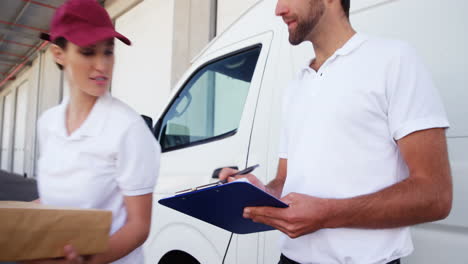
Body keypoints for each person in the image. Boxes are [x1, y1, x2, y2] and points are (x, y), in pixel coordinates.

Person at [219, 0, 452, 263]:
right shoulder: (297, 86)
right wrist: (260, 191)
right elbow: (285, 180)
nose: (278, 9)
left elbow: (436, 195)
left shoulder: (394, 60)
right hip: (289, 259)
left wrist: (327, 214)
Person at [28, 0, 161, 263]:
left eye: (108, 52)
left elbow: (138, 227)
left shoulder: (128, 129)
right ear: (58, 54)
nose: (102, 65)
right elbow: (56, 198)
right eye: (88, 52)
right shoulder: (49, 123)